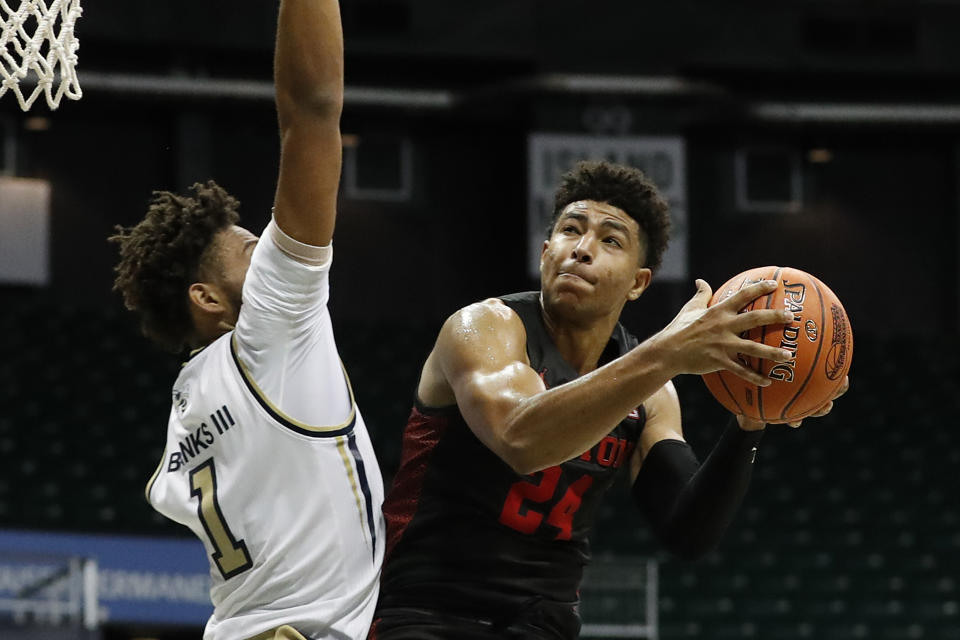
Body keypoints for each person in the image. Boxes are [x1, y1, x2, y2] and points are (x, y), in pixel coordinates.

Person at [370, 160, 848, 639]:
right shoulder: (484, 328)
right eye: (570, 231)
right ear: (544, 253)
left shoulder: (652, 387)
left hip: (543, 624)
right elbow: (521, 439)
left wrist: (748, 420)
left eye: (610, 240)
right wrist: (665, 354)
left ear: (638, 282)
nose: (581, 249)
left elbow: (687, 530)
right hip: (425, 613)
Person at [109, 2, 383, 638]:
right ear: (209, 299)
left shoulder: (191, 396)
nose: (275, 253)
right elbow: (312, 111)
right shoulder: (271, 328)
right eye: (256, 251)